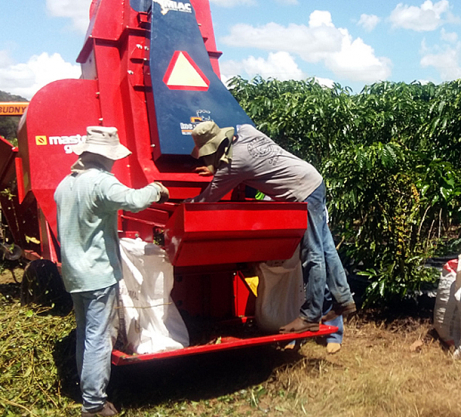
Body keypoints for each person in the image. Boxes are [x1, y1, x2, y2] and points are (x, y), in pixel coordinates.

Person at [187, 121, 355, 333]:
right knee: (326, 248)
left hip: (302, 192)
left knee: (312, 253)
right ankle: (343, 298)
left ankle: (310, 316)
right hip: (313, 179)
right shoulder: (247, 131)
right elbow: (240, 154)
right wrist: (214, 166)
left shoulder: (234, 165)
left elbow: (207, 199)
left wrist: (184, 205)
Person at [54, 126, 169, 417]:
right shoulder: (100, 182)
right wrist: (157, 188)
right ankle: (93, 405)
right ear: (105, 156)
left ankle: (86, 390)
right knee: (98, 337)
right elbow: (134, 201)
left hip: (74, 273)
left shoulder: (66, 184)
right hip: (97, 273)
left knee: (86, 333)